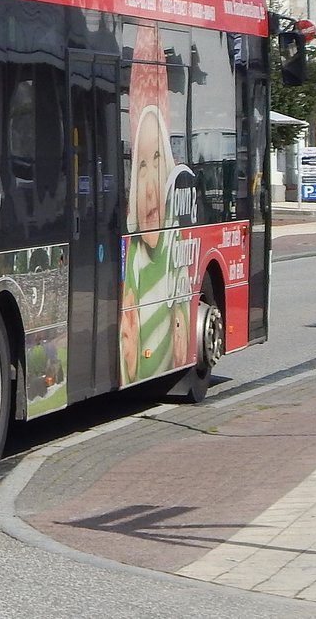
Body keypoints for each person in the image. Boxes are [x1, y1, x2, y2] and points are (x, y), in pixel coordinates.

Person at [120, 26, 188, 385]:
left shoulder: (177, 250)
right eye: (140, 165)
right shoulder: (129, 266)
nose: (149, 189)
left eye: (157, 160)